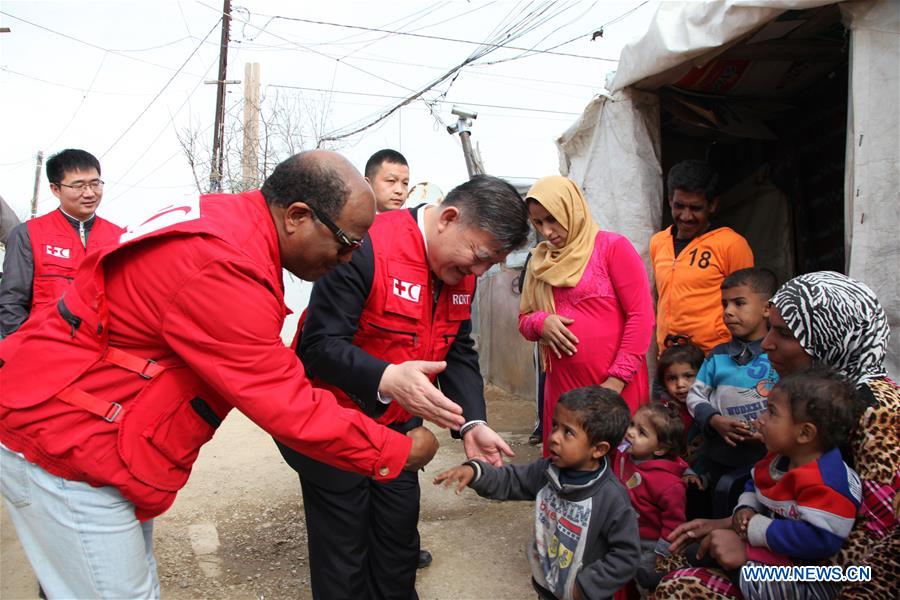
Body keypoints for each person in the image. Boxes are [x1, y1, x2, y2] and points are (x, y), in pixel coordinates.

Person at [0, 150, 439, 600]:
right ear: (297, 216)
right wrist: (395, 449)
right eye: (347, 241)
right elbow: (283, 401)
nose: (349, 258)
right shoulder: (223, 263)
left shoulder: (229, 220)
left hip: (93, 430)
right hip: (65, 440)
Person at [276, 174, 530, 599]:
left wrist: (472, 423)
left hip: (397, 430)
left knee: (398, 545)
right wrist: (385, 377)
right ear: (448, 218)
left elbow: (459, 351)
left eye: (490, 264)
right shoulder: (367, 244)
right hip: (333, 423)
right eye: (480, 256)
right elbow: (318, 346)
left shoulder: (459, 271)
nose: (479, 272)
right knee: (345, 555)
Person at [657, 271, 898, 600]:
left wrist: (751, 555)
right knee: (667, 565)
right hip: (779, 558)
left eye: (783, 333)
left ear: (827, 338)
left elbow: (871, 563)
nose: (767, 343)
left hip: (821, 583)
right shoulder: (805, 398)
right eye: (769, 327)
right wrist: (728, 522)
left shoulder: (879, 415)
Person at [435, 386, 641, 600]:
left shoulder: (611, 498)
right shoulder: (547, 471)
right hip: (547, 588)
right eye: (555, 426)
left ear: (598, 449)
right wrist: (475, 471)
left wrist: (585, 587)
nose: (554, 437)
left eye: (568, 432)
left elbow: (626, 555)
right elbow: (510, 480)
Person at [677, 369, 862, 600]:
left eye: (771, 412)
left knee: (743, 573)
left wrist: (750, 538)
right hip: (776, 554)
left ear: (805, 433)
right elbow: (755, 484)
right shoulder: (779, 458)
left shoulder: (826, 483)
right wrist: (746, 509)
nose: (760, 419)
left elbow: (820, 538)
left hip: (809, 578)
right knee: (700, 552)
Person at [518, 175, 655, 450]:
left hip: (615, 385)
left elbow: (642, 316)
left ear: (572, 209)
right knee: (569, 461)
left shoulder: (612, 248)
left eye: (552, 218)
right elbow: (524, 319)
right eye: (538, 222)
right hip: (563, 387)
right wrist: (541, 322)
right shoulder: (540, 261)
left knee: (616, 463)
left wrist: (615, 382)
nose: (547, 231)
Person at [0, 149, 123, 338]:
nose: (89, 193)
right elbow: (12, 302)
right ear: (55, 189)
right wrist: (21, 350)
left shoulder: (120, 237)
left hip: (103, 351)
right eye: (78, 186)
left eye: (95, 183)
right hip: (45, 348)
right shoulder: (28, 234)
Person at [684, 268, 778, 501]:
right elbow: (695, 396)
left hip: (768, 457)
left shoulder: (777, 354)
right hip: (720, 457)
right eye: (725, 304)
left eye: (739, 303)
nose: (728, 312)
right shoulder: (717, 356)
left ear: (767, 308)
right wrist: (714, 420)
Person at [649, 160, 754, 355]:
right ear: (670, 200)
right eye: (679, 206)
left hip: (714, 359)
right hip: (670, 361)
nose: (686, 216)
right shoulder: (658, 242)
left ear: (712, 205)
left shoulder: (731, 244)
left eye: (695, 208)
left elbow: (748, 306)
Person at [613, 403, 688, 592]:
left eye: (641, 432)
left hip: (649, 544)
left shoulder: (668, 484)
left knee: (646, 583)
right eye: (631, 424)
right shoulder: (624, 451)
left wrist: (662, 553)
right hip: (624, 532)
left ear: (661, 449)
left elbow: (674, 522)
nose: (630, 433)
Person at [655, 341, 705, 465]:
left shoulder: (712, 404)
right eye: (672, 378)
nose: (680, 385)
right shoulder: (664, 412)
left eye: (688, 376)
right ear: (663, 381)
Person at [365, 148, 410, 213]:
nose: (400, 190)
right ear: (367, 184)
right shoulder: (353, 221)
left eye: (405, 183)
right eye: (391, 181)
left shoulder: (413, 221)